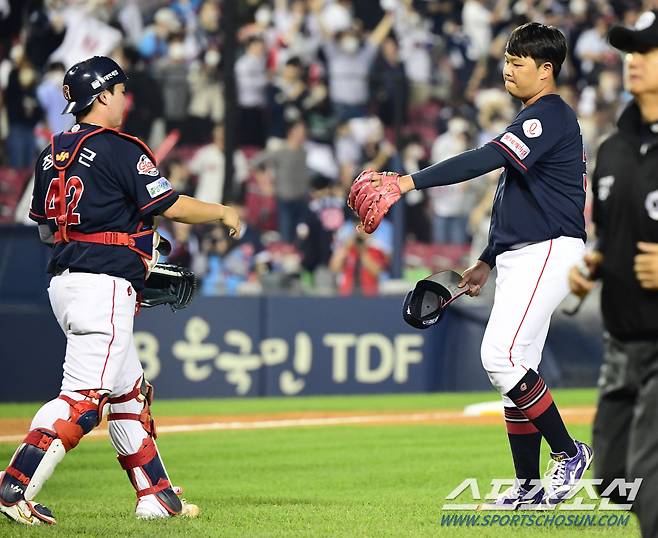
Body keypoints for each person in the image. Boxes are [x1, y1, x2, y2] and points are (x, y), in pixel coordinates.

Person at [350, 23, 592, 507]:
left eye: (519, 61)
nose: (507, 68)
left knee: (499, 359)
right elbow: (510, 195)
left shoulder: (549, 115)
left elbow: (486, 158)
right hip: (524, 252)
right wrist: (486, 260)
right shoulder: (534, 120)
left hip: (549, 248)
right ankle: (528, 486)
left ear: (546, 71)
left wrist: (406, 183)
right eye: (506, 58)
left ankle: (569, 452)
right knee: (516, 370)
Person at [0, 56, 240, 525]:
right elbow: (170, 204)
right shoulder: (119, 147)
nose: (125, 98)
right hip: (102, 286)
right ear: (104, 95)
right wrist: (223, 212)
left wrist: (120, 245)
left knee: (129, 392)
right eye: (121, 90)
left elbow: (49, 231)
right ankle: (14, 487)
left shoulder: (52, 152)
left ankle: (155, 495)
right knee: (84, 398)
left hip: (66, 283)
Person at [569, 12, 658, 538]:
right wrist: (593, 266)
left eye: (647, 51)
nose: (634, 61)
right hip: (622, 339)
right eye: (629, 51)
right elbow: (607, 235)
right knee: (612, 478)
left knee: (649, 479)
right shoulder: (612, 150)